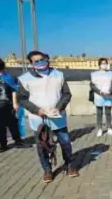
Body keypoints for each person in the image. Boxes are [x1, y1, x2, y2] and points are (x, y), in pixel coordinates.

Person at [17, 51, 78, 183]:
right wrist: (37, 110)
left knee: (65, 142)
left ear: (47, 59)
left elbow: (66, 94)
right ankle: (47, 170)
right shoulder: (24, 78)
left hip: (57, 116)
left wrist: (59, 108)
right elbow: (22, 99)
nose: (40, 62)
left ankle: (69, 165)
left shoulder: (59, 75)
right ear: (31, 63)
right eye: (36, 61)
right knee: (42, 145)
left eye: (42, 59)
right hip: (38, 118)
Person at [90, 58, 112, 137]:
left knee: (108, 113)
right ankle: (99, 129)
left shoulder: (111, 74)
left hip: (108, 96)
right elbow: (92, 85)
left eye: (105, 63)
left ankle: (109, 128)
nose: (104, 65)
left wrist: (110, 91)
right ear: (99, 65)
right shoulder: (94, 74)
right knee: (99, 113)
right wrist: (99, 91)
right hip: (99, 96)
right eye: (102, 63)